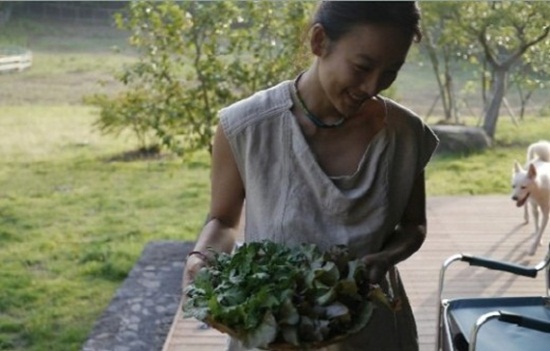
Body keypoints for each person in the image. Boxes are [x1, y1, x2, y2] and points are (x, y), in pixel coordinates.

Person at [183, 1, 439, 350]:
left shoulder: (406, 135)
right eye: (362, 66)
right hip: (272, 333)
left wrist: (384, 258)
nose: (372, 87)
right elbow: (223, 220)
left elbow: (414, 227)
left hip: (373, 334)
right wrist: (202, 257)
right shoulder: (246, 127)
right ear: (319, 41)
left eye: (391, 72)